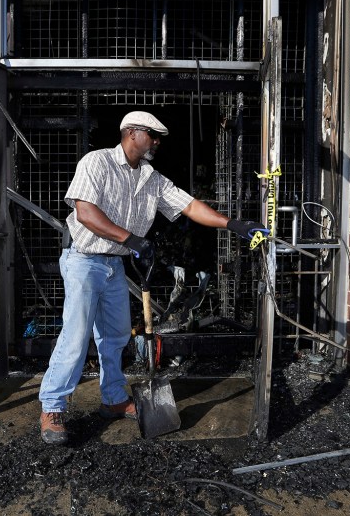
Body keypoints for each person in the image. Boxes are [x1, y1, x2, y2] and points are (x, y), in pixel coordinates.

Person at [38, 110, 264, 445]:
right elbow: (85, 212)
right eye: (152, 135)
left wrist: (233, 224)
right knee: (75, 335)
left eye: (158, 137)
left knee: (115, 336)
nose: (157, 142)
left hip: (114, 265)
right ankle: (52, 406)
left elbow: (188, 205)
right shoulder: (96, 162)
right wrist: (130, 239)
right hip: (83, 260)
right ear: (131, 133)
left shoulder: (151, 178)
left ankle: (113, 399)